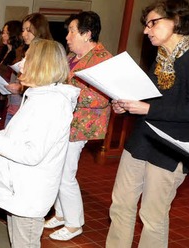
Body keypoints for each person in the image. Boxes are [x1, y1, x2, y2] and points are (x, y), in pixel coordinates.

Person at [0, 39, 80, 248]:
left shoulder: (52, 103)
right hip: (20, 189)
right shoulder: (38, 97)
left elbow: (32, 153)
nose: (22, 63)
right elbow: (18, 138)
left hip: (30, 194)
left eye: (27, 58)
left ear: (41, 64)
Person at [106, 0, 189, 246]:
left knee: (152, 216)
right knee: (121, 204)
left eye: (153, 23)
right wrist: (127, 106)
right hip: (142, 140)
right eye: (146, 24)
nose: (146, 30)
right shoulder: (162, 56)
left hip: (171, 147)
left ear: (175, 21)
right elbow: (151, 98)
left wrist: (147, 107)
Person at [43, 11, 113, 241]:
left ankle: (75, 223)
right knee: (58, 169)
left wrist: (67, 92)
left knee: (65, 174)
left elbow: (103, 98)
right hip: (64, 121)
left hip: (82, 125)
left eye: (72, 31)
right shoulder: (72, 56)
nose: (68, 36)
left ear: (87, 34)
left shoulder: (102, 59)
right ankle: (62, 214)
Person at [3, 13, 53, 125]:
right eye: (23, 30)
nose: (24, 34)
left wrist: (21, 87)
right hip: (21, 105)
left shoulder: (47, 52)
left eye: (28, 30)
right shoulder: (25, 49)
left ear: (39, 30)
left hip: (36, 109)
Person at [0, 20, 24, 129]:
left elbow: (14, 77)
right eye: (3, 32)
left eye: (6, 33)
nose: (3, 35)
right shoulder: (2, 50)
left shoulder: (18, 55)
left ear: (14, 35)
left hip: (7, 98)